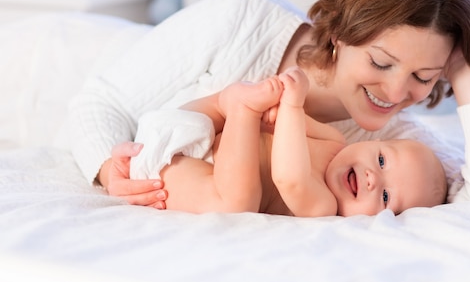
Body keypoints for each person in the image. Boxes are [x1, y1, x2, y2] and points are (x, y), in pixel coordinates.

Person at [69, 0, 470, 209]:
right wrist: (109, 169)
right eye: (381, 61)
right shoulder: (239, 21)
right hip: (73, 62)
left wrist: (467, 70)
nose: (396, 91)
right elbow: (100, 102)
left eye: (423, 76)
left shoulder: (397, 146)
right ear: (338, 31)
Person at [128, 66, 447, 216]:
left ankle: (239, 107)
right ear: (373, 143)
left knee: (236, 206)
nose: (371, 179)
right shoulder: (334, 139)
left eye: (387, 197)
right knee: (225, 119)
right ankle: (231, 102)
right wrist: (278, 110)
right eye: (380, 161)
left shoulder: (323, 206)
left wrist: (293, 107)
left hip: (181, 173)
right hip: (191, 129)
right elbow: (281, 120)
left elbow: (289, 178)